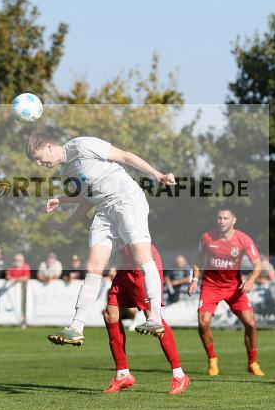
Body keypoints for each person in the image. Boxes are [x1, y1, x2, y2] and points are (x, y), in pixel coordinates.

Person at [27, 132, 176, 345]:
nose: (40, 164)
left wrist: (157, 174)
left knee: (142, 256)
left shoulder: (81, 145)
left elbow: (124, 156)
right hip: (104, 209)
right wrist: (62, 214)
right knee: (93, 267)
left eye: (40, 158)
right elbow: (87, 200)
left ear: (49, 146)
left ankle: (154, 317)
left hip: (126, 198)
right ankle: (76, 327)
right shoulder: (67, 173)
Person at [102, 244, 189, 395]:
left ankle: (179, 375)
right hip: (126, 266)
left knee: (154, 320)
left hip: (142, 265)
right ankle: (123, 375)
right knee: (110, 313)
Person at [189, 208, 264, 377]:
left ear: (233, 220)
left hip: (234, 287)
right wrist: (194, 280)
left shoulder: (243, 239)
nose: (221, 221)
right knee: (203, 322)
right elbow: (198, 260)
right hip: (211, 286)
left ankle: (252, 362)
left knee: (250, 323)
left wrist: (251, 281)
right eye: (219, 218)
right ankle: (212, 360)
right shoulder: (207, 238)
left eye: (225, 218)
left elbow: (258, 264)